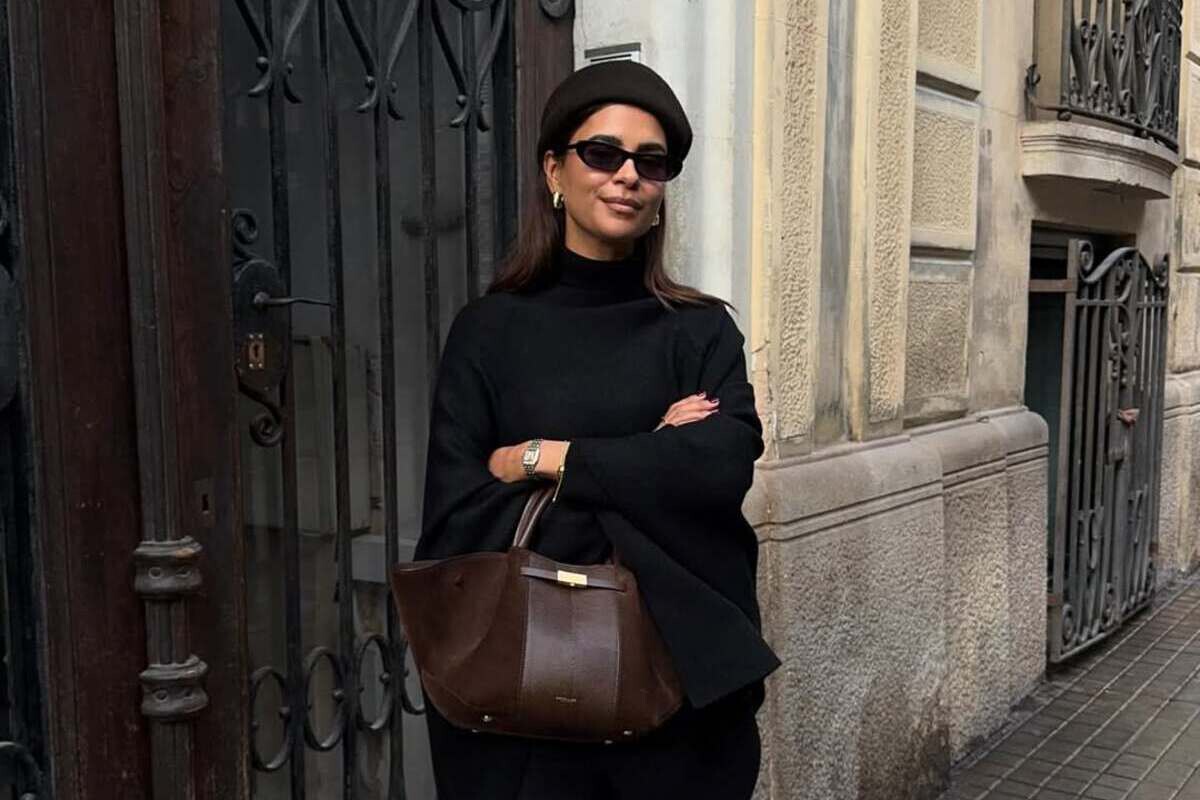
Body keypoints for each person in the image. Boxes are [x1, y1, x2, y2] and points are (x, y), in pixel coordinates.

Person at [413, 59, 781, 800]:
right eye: (602, 153)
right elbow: (458, 518)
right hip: (521, 709)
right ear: (555, 169)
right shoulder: (488, 333)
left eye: (651, 161)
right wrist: (651, 459)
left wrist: (543, 458)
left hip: (680, 702)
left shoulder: (700, 331)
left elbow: (718, 469)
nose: (628, 175)